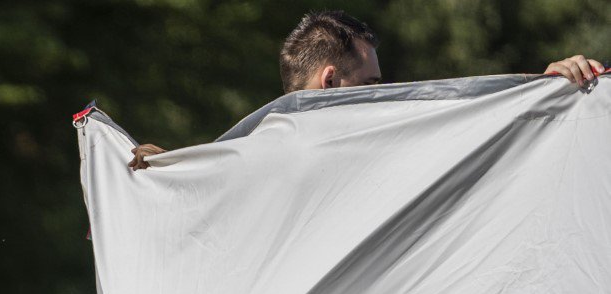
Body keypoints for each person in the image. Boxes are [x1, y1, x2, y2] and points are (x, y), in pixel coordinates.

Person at [128, 10, 605, 169]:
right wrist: (161, 180)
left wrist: (543, 98)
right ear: (331, 82)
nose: (384, 95)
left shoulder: (388, 149)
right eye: (371, 85)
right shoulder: (241, 168)